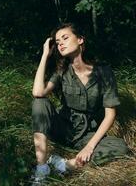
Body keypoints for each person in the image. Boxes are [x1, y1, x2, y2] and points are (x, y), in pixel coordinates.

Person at [31, 23, 129, 185]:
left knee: (120, 147)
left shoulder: (103, 72)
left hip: (87, 134)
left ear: (81, 40)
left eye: (65, 37)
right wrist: (44, 55)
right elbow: (38, 92)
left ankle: (64, 164)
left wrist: (89, 147)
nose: (60, 43)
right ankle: (42, 169)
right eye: (57, 41)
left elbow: (110, 115)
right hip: (63, 128)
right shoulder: (62, 70)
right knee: (39, 103)